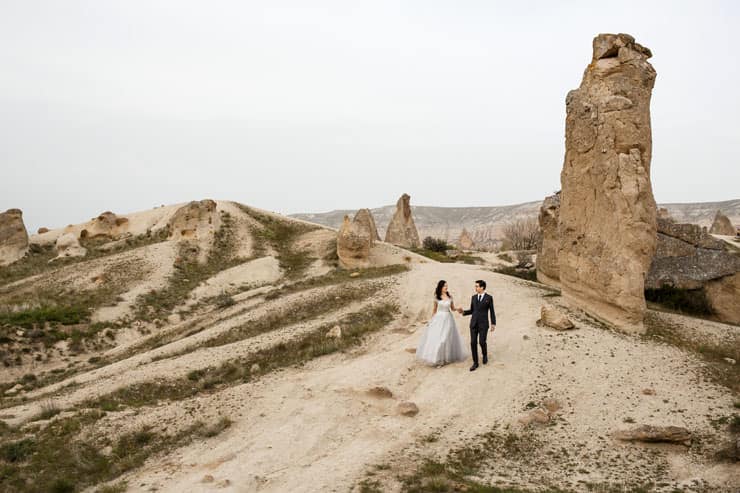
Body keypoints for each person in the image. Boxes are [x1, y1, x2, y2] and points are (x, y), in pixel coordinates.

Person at [415, 280, 468, 366]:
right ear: (440, 287)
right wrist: (431, 321)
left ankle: (445, 358)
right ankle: (437, 359)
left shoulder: (450, 296)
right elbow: (434, 310)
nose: (446, 287)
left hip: (448, 319)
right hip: (438, 319)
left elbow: (453, 308)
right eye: (444, 286)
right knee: (437, 339)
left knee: (445, 338)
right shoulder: (437, 297)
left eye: (447, 286)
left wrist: (458, 309)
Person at [458, 279, 496, 371]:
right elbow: (472, 310)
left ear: (482, 287)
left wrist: (493, 323)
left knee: (482, 342)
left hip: (484, 324)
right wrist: (463, 312)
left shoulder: (489, 298)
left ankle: (485, 355)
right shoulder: (473, 297)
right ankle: (475, 362)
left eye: (477, 286)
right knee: (473, 343)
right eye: (475, 286)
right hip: (473, 323)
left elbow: (492, 311)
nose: (475, 287)